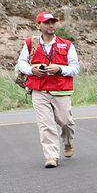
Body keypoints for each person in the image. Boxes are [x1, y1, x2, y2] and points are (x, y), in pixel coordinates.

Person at [17, 11, 79, 168]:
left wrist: (59, 69)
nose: (51, 25)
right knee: (45, 124)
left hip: (61, 90)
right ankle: (51, 156)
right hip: (39, 90)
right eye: (46, 22)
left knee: (66, 122)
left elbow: (75, 68)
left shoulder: (67, 44)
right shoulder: (30, 43)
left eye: (53, 22)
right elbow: (21, 63)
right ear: (38, 25)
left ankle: (68, 142)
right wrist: (32, 70)